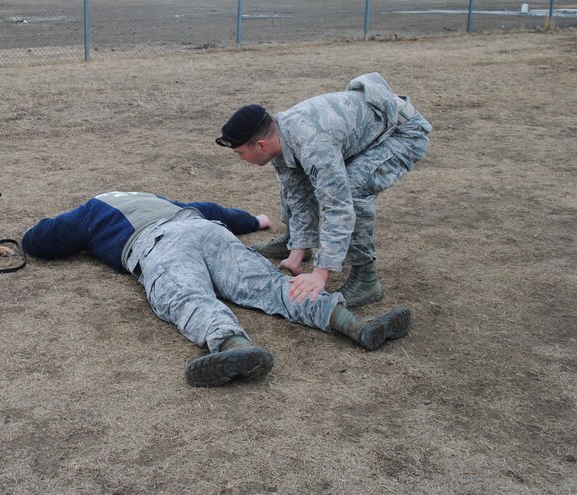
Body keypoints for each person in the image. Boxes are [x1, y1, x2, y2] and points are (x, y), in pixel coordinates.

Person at [21, 191, 412, 388]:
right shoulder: (163, 200)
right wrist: (257, 221)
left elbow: (45, 240)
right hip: (205, 230)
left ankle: (234, 347)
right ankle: (354, 323)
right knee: (271, 285)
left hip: (158, 244)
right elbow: (215, 210)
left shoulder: (92, 210)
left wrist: (28, 234)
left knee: (188, 298)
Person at [216, 72, 432, 308]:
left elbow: (337, 206)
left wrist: (320, 273)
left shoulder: (312, 144)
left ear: (260, 145)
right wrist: (297, 252)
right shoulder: (280, 138)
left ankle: (366, 279)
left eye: (241, 153)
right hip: (366, 131)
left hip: (402, 133)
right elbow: (299, 196)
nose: (241, 159)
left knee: (351, 189)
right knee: (294, 183)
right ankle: (297, 244)